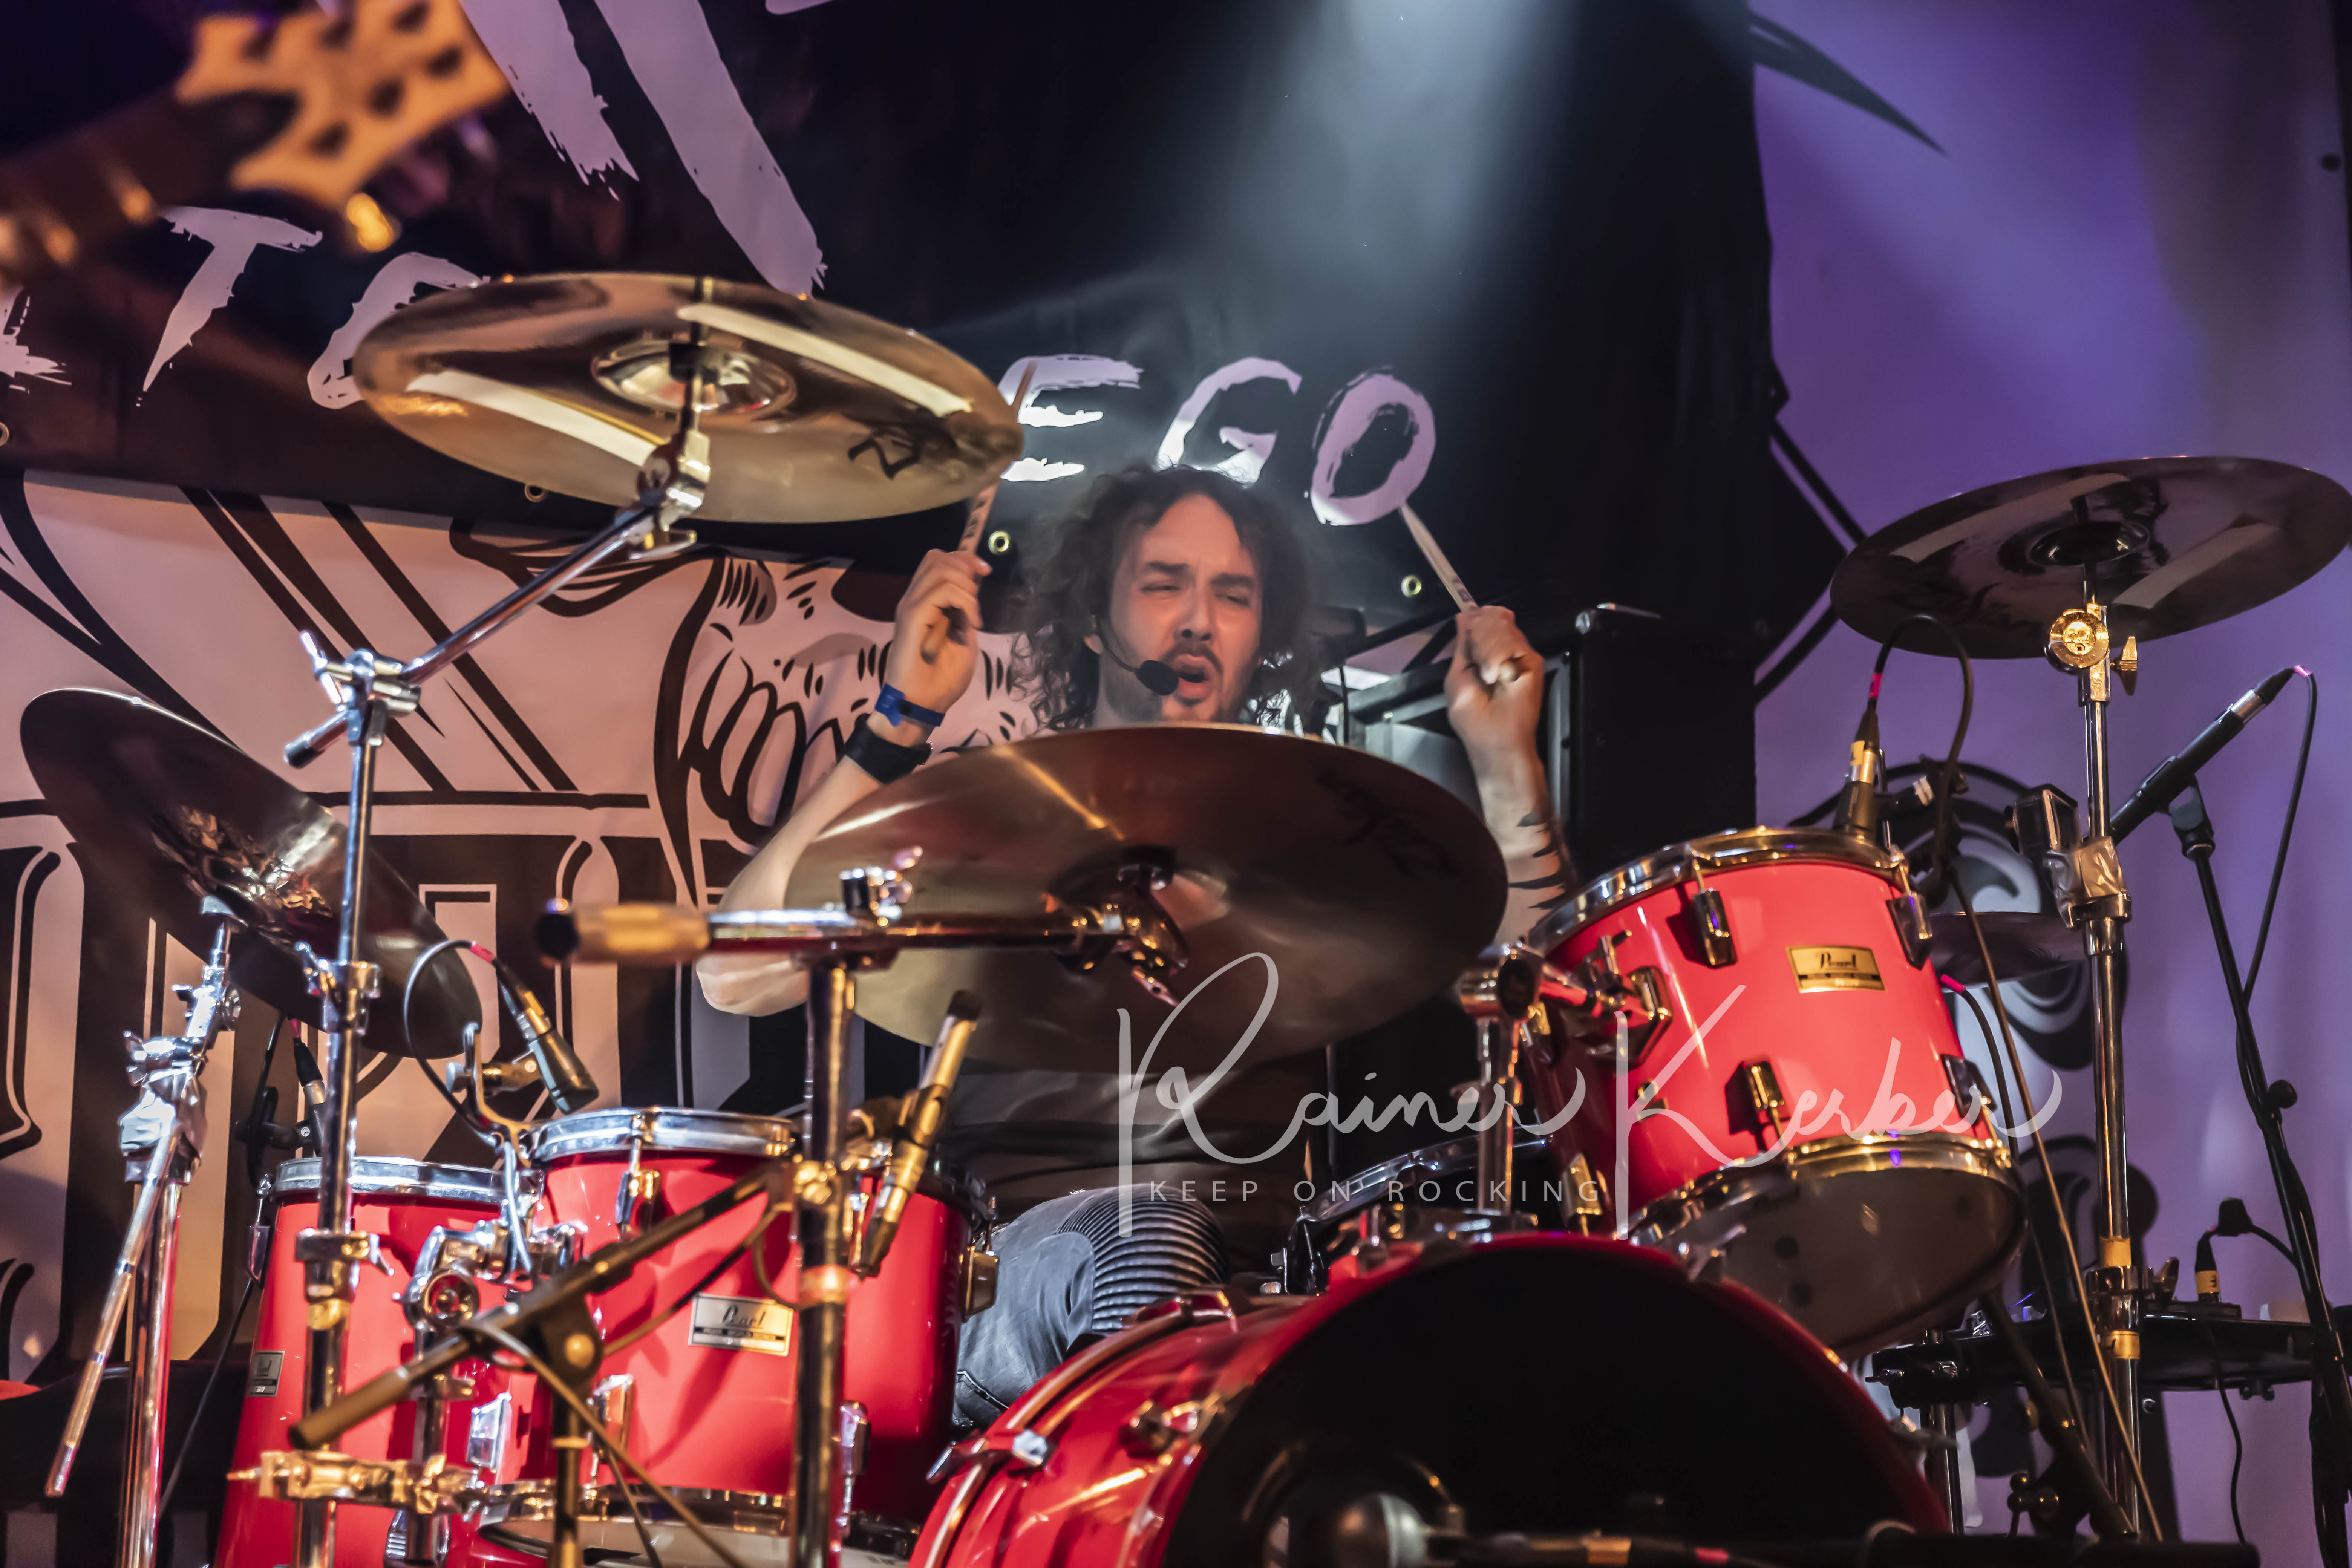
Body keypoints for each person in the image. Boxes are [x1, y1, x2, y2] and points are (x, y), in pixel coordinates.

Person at [699, 462, 1568, 1425]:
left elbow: (1554, 1023)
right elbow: (737, 976)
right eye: (1164, 584)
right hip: (1005, 1282)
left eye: (1233, 595)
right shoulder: (976, 824)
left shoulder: (1323, 846)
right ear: (1089, 619)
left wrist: (1506, 767)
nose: (1198, 621)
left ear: (1263, 636)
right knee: (1147, 1240)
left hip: (1263, 1289)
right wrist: (898, 723)